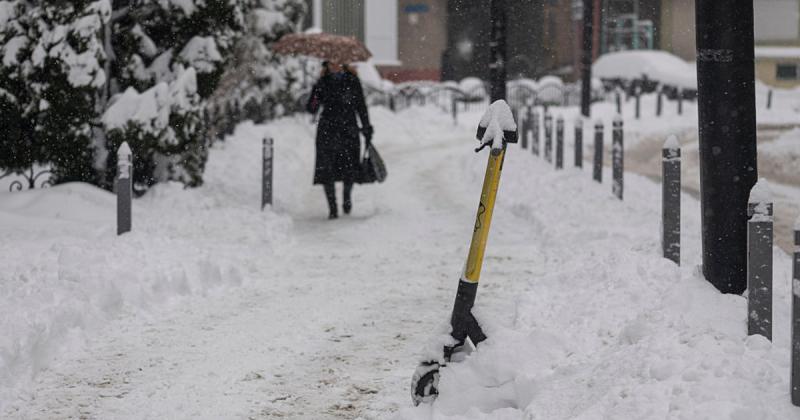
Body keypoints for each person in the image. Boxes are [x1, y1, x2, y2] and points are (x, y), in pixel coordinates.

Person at [306, 61, 373, 219]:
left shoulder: (353, 81)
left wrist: (366, 127)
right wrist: (316, 92)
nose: (335, 66)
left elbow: (361, 106)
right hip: (327, 131)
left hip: (348, 130)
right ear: (327, 65)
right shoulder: (322, 82)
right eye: (331, 63)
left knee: (349, 168)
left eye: (338, 62)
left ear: (343, 64)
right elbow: (311, 108)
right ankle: (332, 207)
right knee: (326, 169)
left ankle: (347, 198)